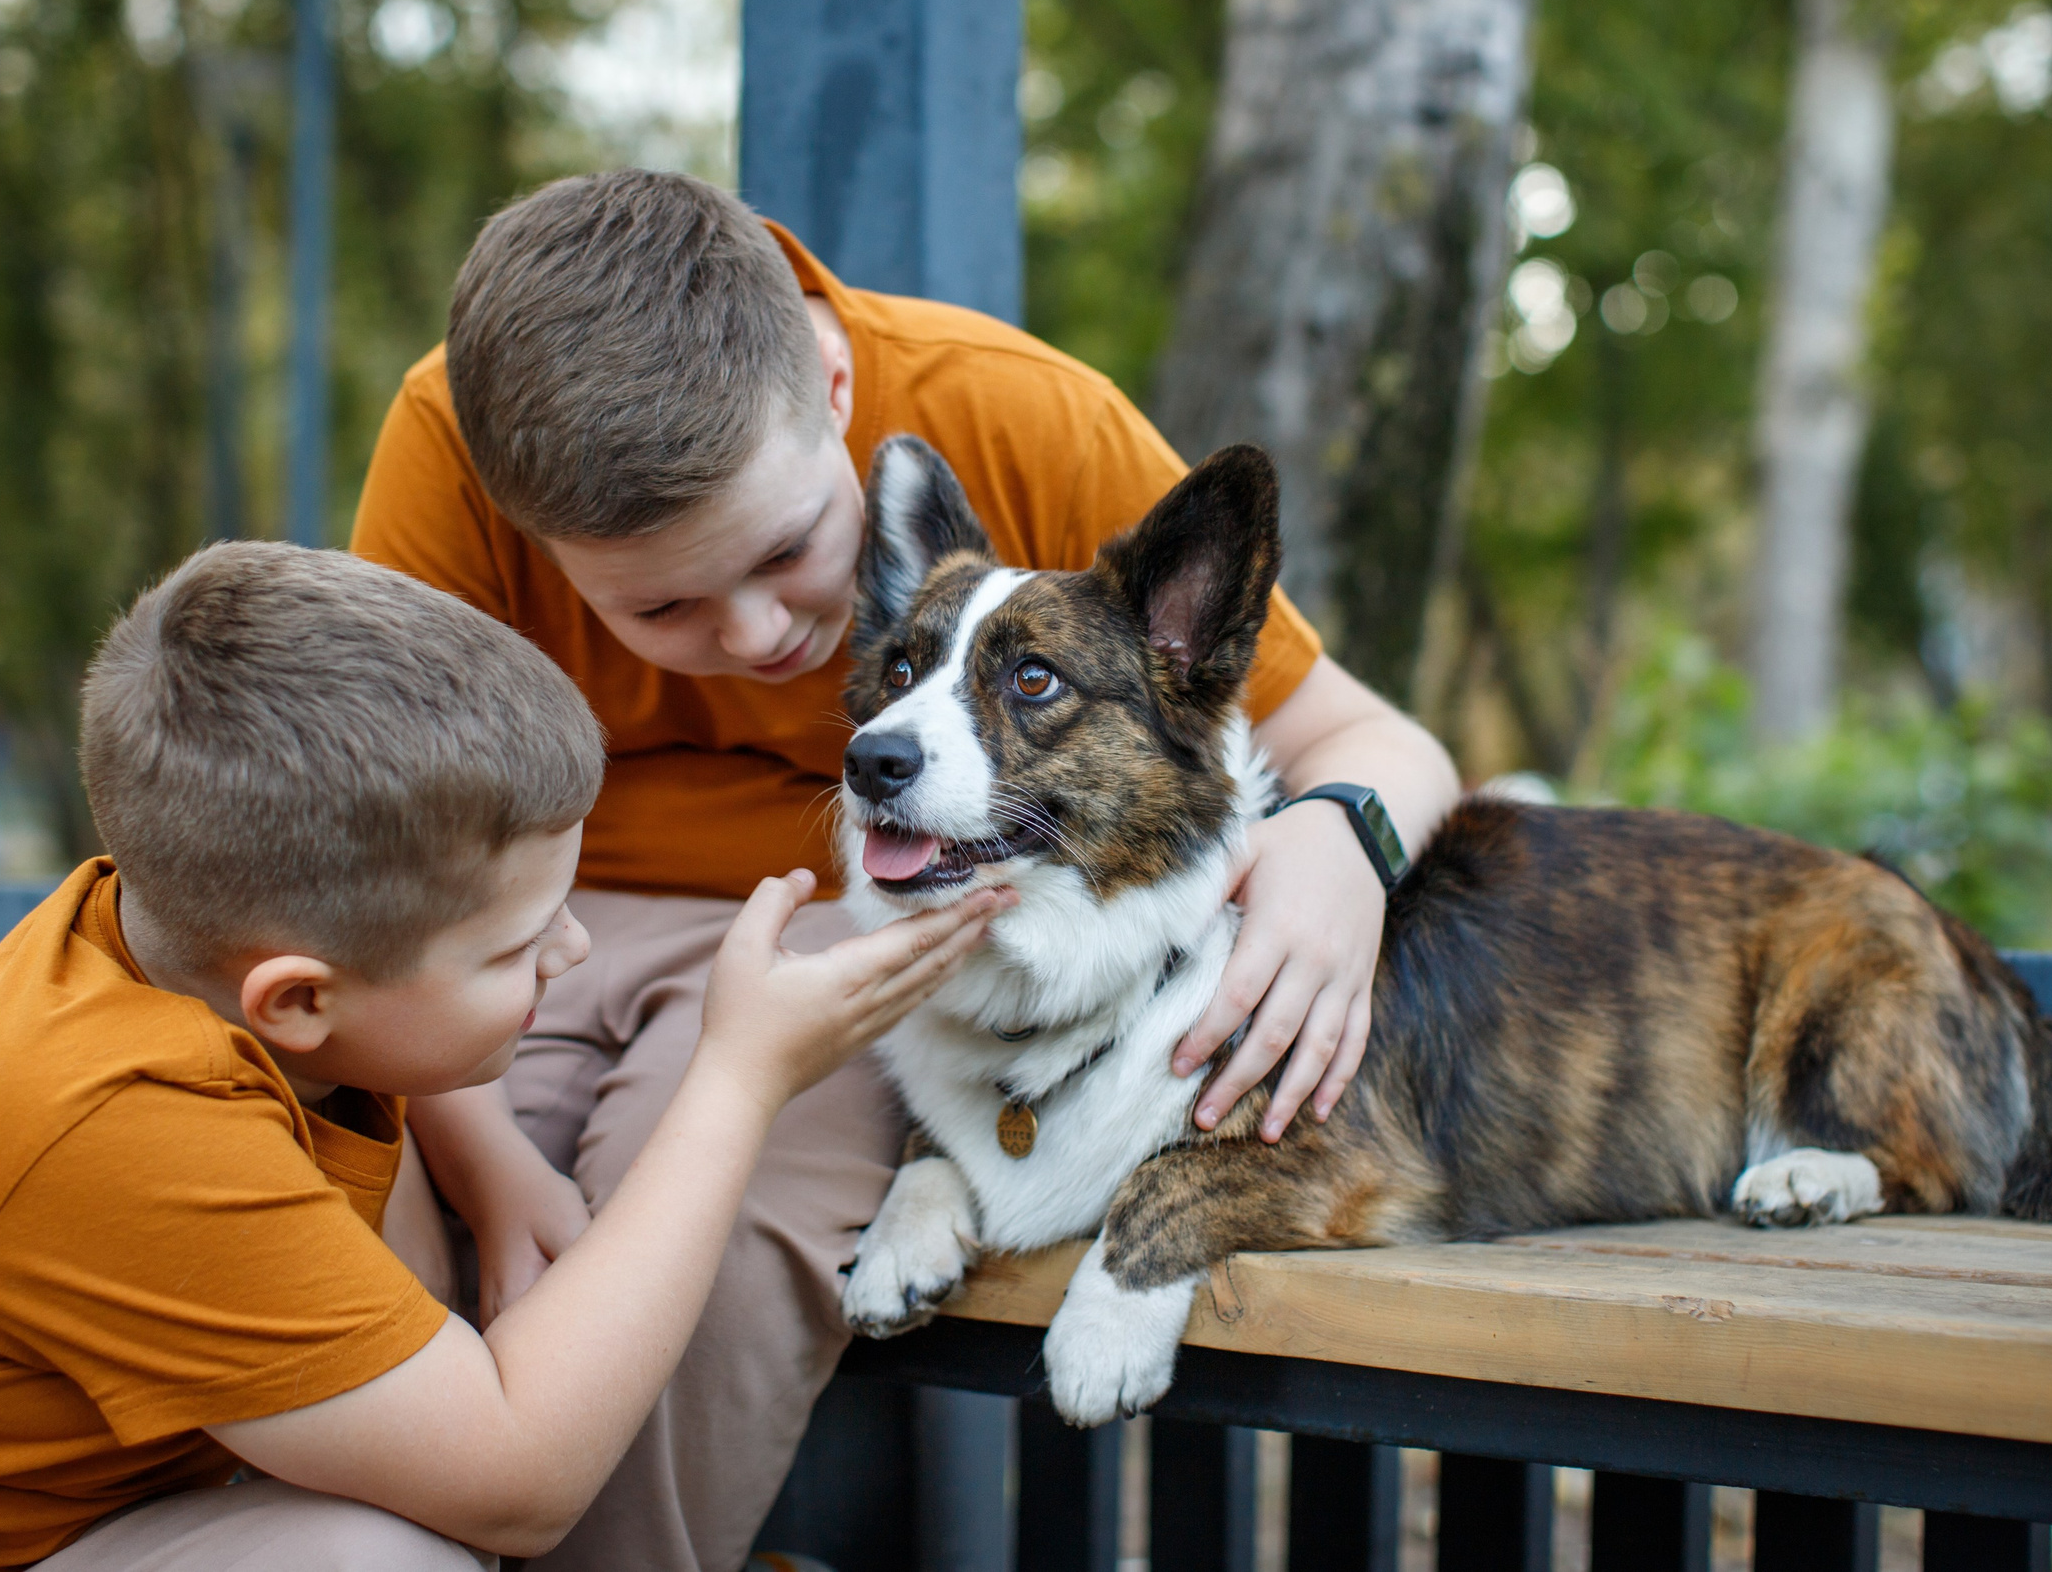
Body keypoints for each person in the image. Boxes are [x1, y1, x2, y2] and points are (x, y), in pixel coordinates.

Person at [355, 169, 1465, 1570]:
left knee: (704, 1232)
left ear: (833, 384)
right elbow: (385, 887)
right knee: (385, 1201)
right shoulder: (451, 439)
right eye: (659, 606)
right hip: (513, 918)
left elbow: (1376, 737)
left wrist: (1339, 841)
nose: (760, 633)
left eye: (786, 553)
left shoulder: (1018, 410)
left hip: (851, 925)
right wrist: (494, 1170)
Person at [0, 542, 1006, 1571]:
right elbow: (522, 1482)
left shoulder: (190, 962)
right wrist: (737, 1078)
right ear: (300, 1000)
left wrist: (489, 1175)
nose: (566, 959)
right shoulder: (120, 1126)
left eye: (567, 906)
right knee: (375, 1557)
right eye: (512, 947)